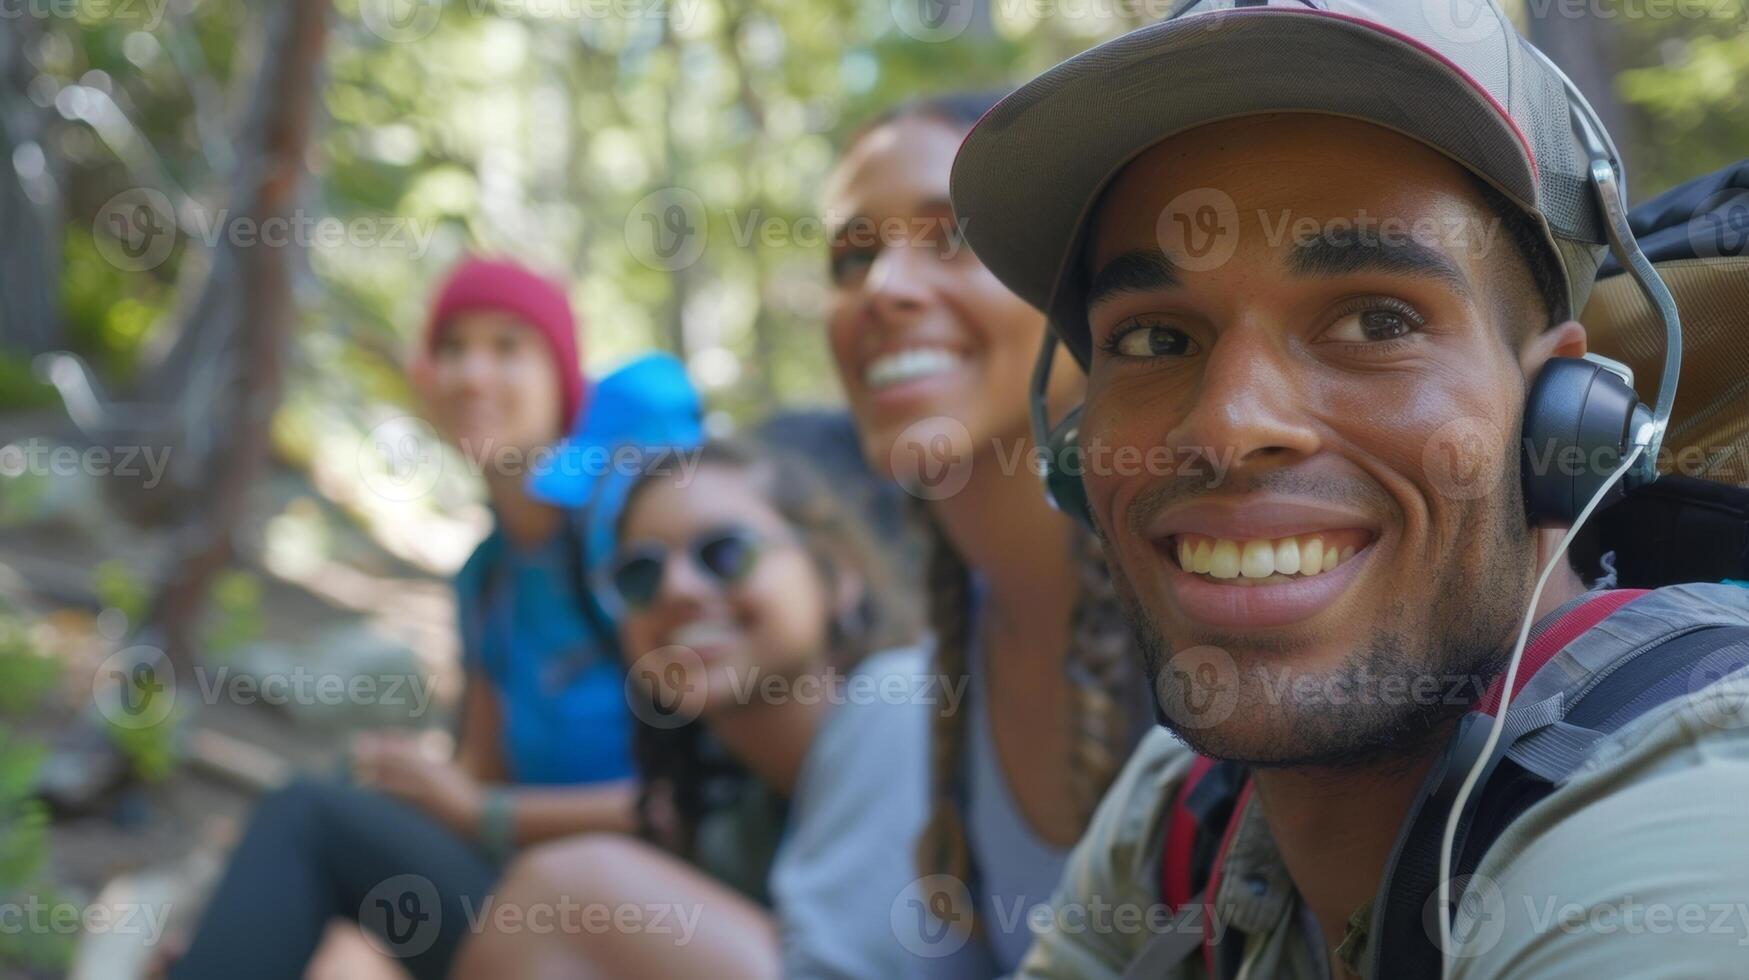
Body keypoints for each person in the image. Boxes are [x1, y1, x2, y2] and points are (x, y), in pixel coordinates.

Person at [945, 3, 1749, 977]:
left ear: (1563, 419)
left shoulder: (1698, 821)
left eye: (1376, 320)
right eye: (1158, 338)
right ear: (1075, 450)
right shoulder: (1181, 811)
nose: (1229, 426)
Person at [170, 256, 691, 979]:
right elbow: (480, 775)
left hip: (659, 925)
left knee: (303, 820)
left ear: (561, 381)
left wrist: (484, 814)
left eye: (508, 346)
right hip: (533, 905)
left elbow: (692, 797)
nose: (472, 374)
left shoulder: (624, 546)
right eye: (452, 347)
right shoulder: (487, 578)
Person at [821, 91, 1155, 972]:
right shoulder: (949, 659)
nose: (883, 290)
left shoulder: (1210, 606)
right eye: (851, 258)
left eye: (955, 238)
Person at [450, 439, 930, 978]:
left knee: (559, 897)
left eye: (724, 552)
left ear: (835, 577)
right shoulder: (738, 823)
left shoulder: (903, 704)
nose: (677, 589)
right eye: (640, 575)